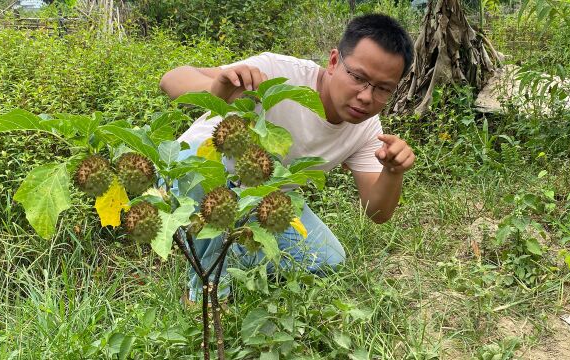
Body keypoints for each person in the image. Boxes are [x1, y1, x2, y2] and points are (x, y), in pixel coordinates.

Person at [159, 13, 415, 301]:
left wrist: (393, 171)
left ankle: (233, 247)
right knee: (206, 185)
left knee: (328, 260)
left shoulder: (368, 130)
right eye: (358, 78)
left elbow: (378, 213)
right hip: (197, 175)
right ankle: (206, 292)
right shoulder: (278, 73)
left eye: (383, 89)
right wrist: (216, 92)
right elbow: (171, 79)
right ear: (333, 62)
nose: (367, 97)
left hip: (263, 199)